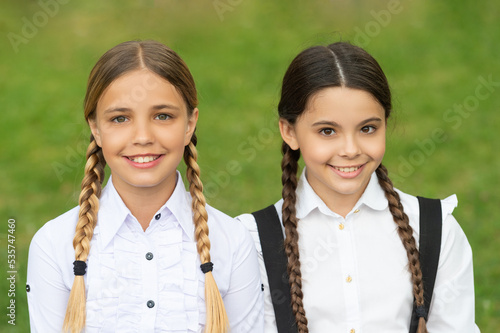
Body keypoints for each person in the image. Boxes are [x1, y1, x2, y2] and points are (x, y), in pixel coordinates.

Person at [237, 42, 479, 333]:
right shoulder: (250, 241)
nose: (350, 149)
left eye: (367, 129)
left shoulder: (434, 229)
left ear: (385, 125)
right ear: (289, 131)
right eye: (327, 131)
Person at [27, 40, 263, 333]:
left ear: (190, 124)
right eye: (120, 118)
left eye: (162, 116)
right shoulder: (53, 245)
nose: (142, 136)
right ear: (95, 128)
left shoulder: (233, 242)